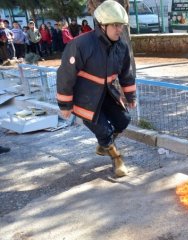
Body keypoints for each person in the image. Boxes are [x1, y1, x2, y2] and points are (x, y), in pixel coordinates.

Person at [56, 0, 136, 178]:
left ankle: (104, 144)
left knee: (124, 120)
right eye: (115, 25)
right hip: (84, 98)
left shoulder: (121, 46)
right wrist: (65, 105)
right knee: (104, 130)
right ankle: (116, 158)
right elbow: (65, 75)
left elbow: (125, 73)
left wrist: (131, 96)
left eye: (121, 25)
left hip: (107, 92)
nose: (119, 29)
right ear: (102, 25)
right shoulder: (80, 45)